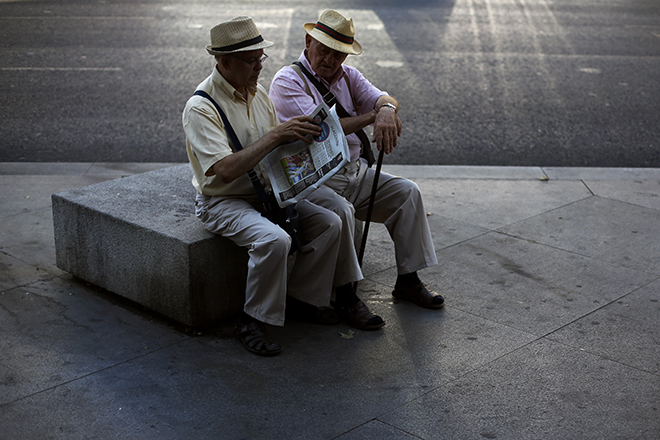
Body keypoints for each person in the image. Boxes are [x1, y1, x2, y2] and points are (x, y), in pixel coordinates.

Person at [269, 9, 444, 330]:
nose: (331, 60)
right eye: (324, 51)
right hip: (311, 180)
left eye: (339, 55)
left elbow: (381, 98)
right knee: (342, 212)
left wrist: (388, 110)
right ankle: (346, 295)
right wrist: (372, 116)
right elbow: (321, 131)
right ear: (309, 42)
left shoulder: (349, 76)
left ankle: (408, 279)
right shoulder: (287, 80)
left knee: (407, 193)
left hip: (352, 172)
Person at [182, 16, 345, 357]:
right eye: (251, 61)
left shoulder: (257, 95)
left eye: (261, 59)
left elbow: (276, 153)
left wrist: (305, 150)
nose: (259, 68)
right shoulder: (201, 106)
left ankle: (302, 299)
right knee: (275, 239)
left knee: (331, 222)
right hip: (222, 201)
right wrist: (275, 136)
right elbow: (225, 170)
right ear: (224, 62)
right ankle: (250, 320)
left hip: (266, 193)